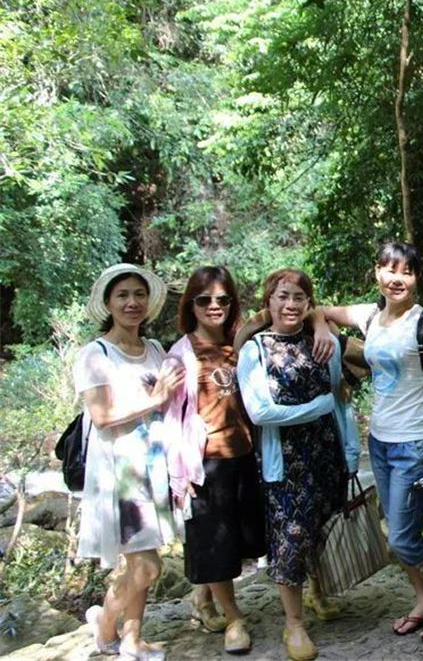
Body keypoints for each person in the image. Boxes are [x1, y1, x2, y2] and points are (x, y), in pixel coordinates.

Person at [315, 242, 423, 642]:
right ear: (377, 272)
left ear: (416, 278)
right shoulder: (370, 316)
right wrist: (320, 327)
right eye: (389, 269)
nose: (396, 279)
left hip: (415, 442)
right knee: (397, 531)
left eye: (406, 272)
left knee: (402, 536)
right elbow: (319, 310)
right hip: (379, 441)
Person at [236, 268, 356, 661]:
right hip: (285, 464)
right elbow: (261, 412)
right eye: (282, 296)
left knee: (322, 527)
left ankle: (319, 595)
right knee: (290, 539)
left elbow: (339, 400)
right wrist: (315, 407)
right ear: (268, 301)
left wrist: (350, 451)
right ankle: (294, 624)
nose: (291, 304)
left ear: (309, 303)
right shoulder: (254, 350)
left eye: (299, 297)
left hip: (326, 454)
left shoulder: (323, 343)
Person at [75, 263, 183, 661]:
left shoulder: (154, 349)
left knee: (144, 557)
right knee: (147, 566)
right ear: (108, 303)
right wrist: (155, 399)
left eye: (139, 294)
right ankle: (104, 626)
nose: (132, 302)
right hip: (119, 472)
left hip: (155, 467)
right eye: (122, 295)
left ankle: (132, 640)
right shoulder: (95, 354)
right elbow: (101, 416)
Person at [162, 266, 264, 654]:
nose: (214, 306)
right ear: (191, 304)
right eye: (204, 299)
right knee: (215, 542)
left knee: (236, 539)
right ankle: (234, 619)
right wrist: (179, 475)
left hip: (244, 456)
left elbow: (272, 313)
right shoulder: (180, 356)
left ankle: (202, 600)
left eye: (222, 299)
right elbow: (170, 419)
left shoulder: (239, 347)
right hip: (205, 464)